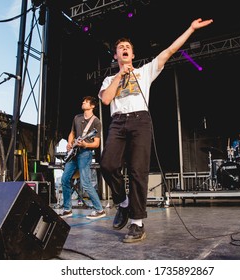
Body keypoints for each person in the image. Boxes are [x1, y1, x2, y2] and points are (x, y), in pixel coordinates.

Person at [98, 18, 214, 243]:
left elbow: (170, 50)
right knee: (108, 164)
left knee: (137, 171)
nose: (124, 49)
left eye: (127, 48)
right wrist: (121, 75)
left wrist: (190, 28)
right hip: (118, 122)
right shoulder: (109, 79)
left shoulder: (145, 71)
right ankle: (123, 203)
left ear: (132, 55)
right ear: (116, 56)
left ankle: (137, 223)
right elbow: (106, 99)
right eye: (120, 48)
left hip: (141, 120)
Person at [60, 96, 105, 220]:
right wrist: (69, 143)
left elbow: (96, 143)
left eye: (86, 101)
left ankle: (99, 209)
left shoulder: (96, 122)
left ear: (92, 106)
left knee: (85, 182)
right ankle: (67, 209)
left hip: (85, 153)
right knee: (65, 179)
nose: (83, 102)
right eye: (83, 101)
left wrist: (85, 144)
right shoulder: (77, 118)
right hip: (74, 153)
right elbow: (72, 133)